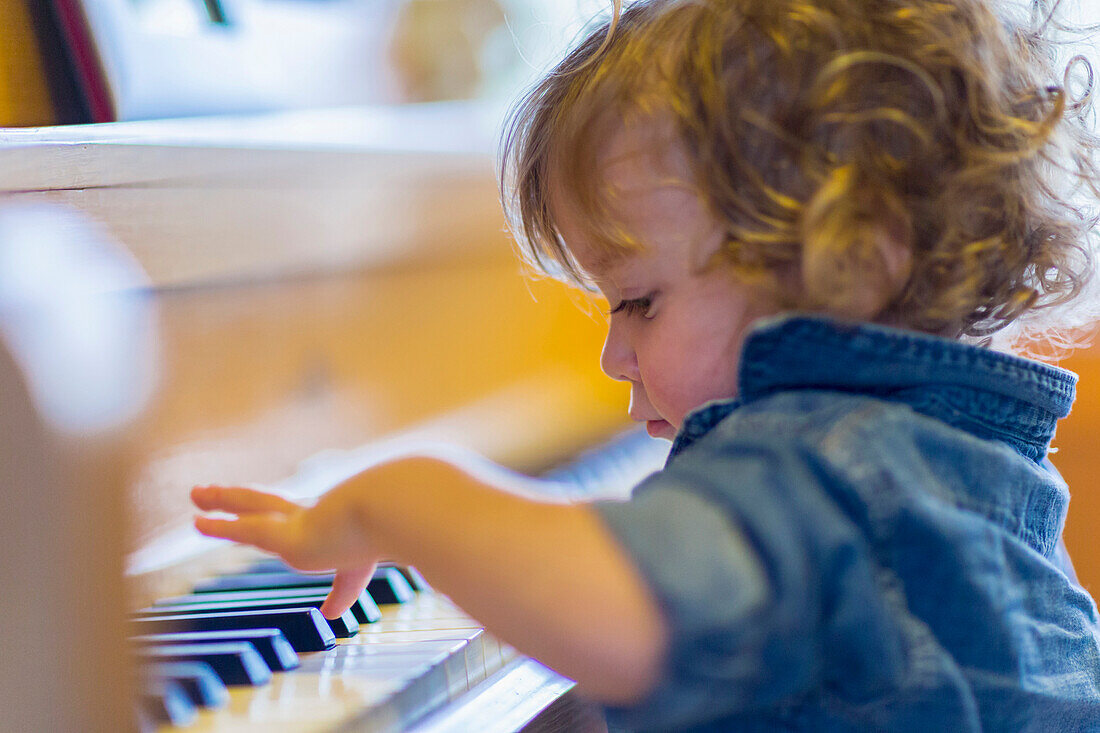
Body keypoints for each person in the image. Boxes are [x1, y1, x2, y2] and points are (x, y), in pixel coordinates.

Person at [192, 0, 1100, 728]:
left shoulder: (833, 464)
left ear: (854, 262)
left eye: (640, 300)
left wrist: (399, 500)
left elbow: (627, 610)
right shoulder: (942, 456)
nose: (612, 352)